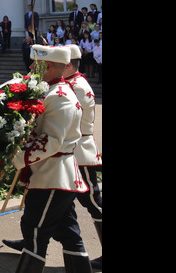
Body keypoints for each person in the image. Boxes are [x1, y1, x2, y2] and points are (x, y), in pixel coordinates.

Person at [3, 45, 90, 273]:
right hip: (51, 175)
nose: (30, 67)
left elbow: (51, 141)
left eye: (35, 63)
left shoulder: (60, 97)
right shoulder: (51, 91)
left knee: (34, 231)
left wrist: (16, 156)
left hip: (53, 176)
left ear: (48, 66)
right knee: (68, 232)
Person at [66, 45, 103, 270]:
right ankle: (32, 241)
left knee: (93, 202)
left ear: (68, 64)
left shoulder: (77, 87)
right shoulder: (72, 84)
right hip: (70, 151)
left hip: (80, 152)